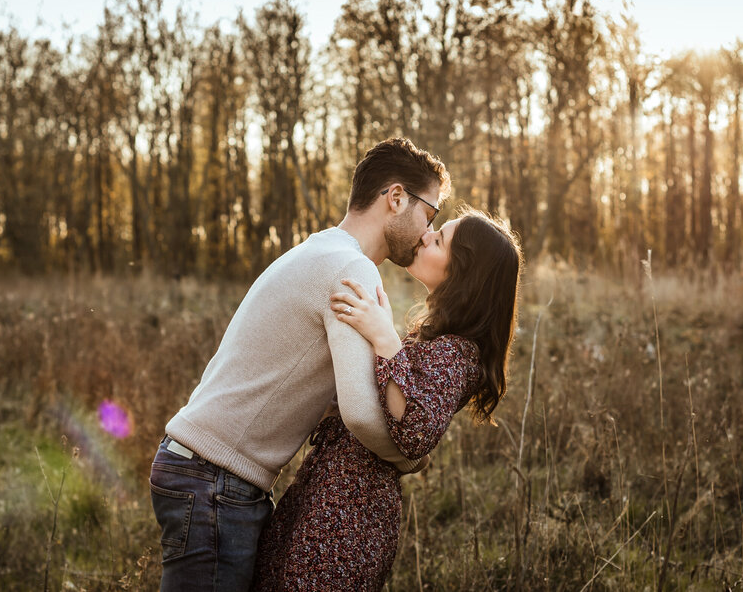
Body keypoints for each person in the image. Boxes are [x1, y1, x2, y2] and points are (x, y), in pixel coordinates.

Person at [150, 138, 450, 592]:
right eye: (430, 214)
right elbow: (361, 415)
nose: (429, 230)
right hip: (213, 479)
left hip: (205, 471)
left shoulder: (321, 250)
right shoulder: (351, 268)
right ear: (396, 198)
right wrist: (413, 455)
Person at [253, 208, 522, 591]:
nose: (426, 235)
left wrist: (385, 338)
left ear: (465, 273)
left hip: (351, 514)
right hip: (332, 495)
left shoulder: (459, 355)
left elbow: (414, 430)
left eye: (440, 239)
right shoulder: (436, 342)